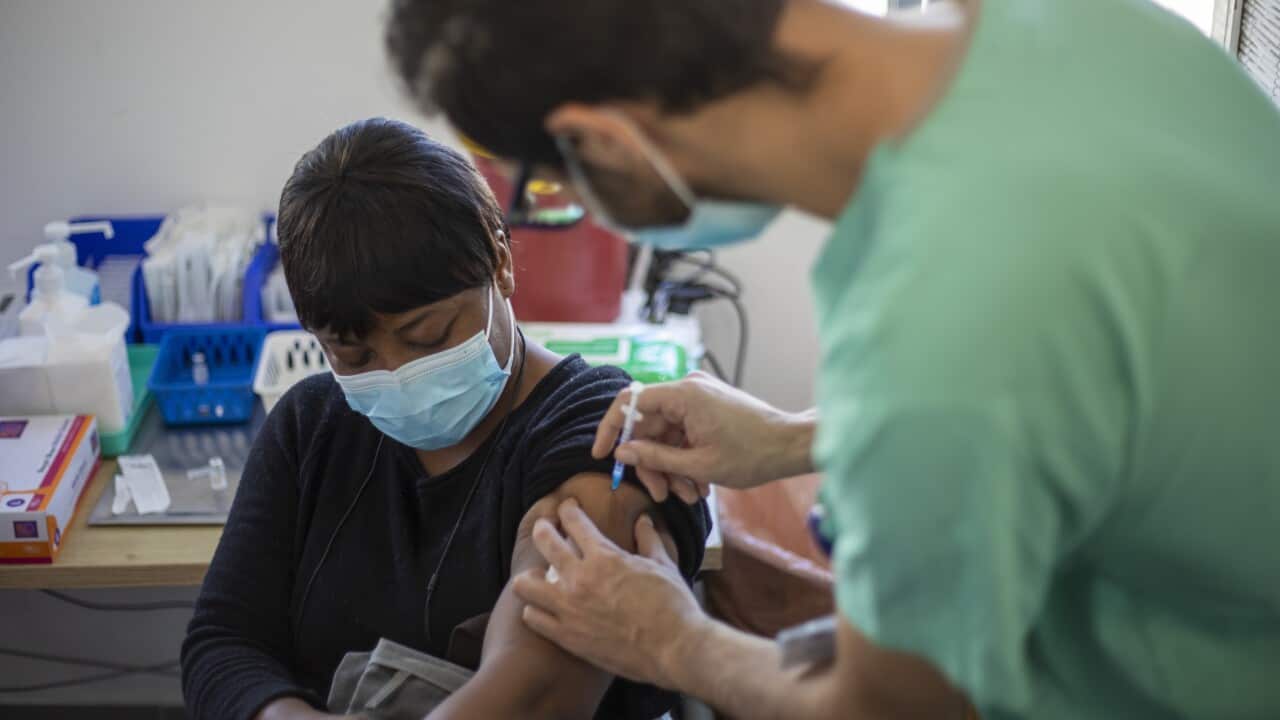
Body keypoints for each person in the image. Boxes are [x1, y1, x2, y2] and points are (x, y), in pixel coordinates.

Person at [384, 0, 1280, 718]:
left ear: (605, 138)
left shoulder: (934, 315)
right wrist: (795, 439)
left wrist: (673, 641)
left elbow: (897, 706)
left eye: (553, 182)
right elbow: (1104, 376)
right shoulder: (1081, 28)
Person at [180, 118, 709, 720]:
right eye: (353, 355)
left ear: (500, 260)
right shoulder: (311, 428)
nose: (399, 372)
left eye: (428, 336)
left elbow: (540, 680)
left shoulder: (598, 428)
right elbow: (224, 645)